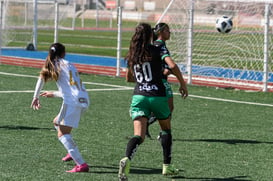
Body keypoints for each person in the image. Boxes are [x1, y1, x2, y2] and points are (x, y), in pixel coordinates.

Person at [118, 23, 188, 181]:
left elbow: (129, 78)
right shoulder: (157, 50)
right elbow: (173, 65)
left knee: (139, 136)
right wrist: (182, 84)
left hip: (139, 97)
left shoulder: (133, 54)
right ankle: (167, 167)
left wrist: (143, 77)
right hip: (157, 95)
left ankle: (127, 159)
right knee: (166, 130)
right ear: (151, 35)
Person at [30, 43, 90, 173]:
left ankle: (81, 164)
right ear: (64, 53)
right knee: (57, 122)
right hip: (84, 99)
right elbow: (71, 88)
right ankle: (71, 151)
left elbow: (41, 79)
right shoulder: (69, 64)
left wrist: (35, 97)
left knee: (62, 134)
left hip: (72, 102)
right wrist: (55, 93)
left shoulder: (53, 64)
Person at [146, 22, 177, 139]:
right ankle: (161, 131)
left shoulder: (156, 44)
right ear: (160, 32)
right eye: (167, 30)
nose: (170, 32)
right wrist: (165, 70)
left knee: (167, 107)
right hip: (161, 80)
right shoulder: (160, 45)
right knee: (167, 108)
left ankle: (150, 125)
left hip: (158, 79)